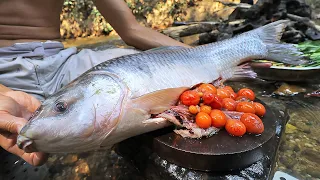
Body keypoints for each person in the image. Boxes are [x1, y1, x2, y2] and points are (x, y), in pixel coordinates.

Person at [0, 0, 270, 166]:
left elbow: (131, 30)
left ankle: (232, 55)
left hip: (58, 57)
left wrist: (205, 55)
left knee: (134, 63)